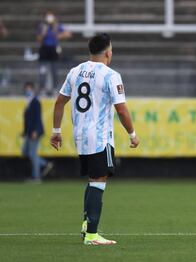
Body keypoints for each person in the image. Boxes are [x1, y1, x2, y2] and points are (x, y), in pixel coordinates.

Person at [50, 33, 139, 245]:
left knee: (93, 178)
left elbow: (60, 102)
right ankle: (92, 234)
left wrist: (56, 131)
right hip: (99, 136)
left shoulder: (75, 71)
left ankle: (85, 224)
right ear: (108, 52)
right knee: (99, 180)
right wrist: (132, 134)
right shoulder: (110, 75)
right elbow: (122, 109)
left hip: (80, 135)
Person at [22, 82, 53, 183]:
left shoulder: (35, 102)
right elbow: (28, 119)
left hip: (34, 132)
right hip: (29, 132)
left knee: (32, 154)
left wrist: (35, 130)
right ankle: (45, 164)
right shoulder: (29, 102)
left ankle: (36, 177)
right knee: (26, 152)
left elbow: (37, 118)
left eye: (29, 88)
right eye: (26, 89)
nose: (28, 91)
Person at [36, 11, 71, 95]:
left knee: (54, 70)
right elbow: (39, 39)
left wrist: (58, 34)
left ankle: (55, 88)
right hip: (44, 49)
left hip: (53, 50)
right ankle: (42, 88)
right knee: (43, 71)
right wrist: (44, 31)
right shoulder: (42, 27)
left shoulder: (57, 26)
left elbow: (68, 34)